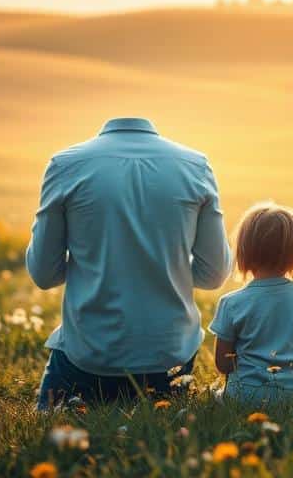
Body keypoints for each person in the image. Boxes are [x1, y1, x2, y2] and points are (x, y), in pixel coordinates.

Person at [26, 117, 233, 409]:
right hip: (169, 358)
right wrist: (164, 268)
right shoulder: (196, 166)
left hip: (89, 356)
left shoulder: (65, 165)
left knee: (52, 430)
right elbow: (213, 275)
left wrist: (94, 262)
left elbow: (44, 274)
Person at [209, 202, 293, 405]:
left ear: (242, 253)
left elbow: (223, 364)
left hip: (247, 396)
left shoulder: (230, 303)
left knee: (214, 395)